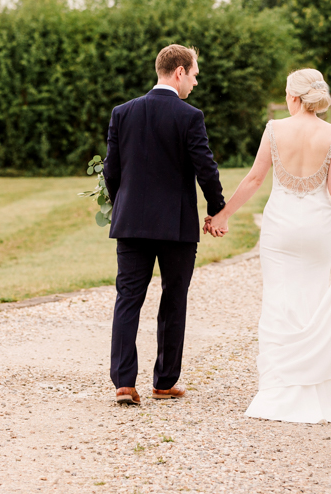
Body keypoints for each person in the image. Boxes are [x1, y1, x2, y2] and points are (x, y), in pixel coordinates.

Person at [208, 68, 331, 423]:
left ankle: (277, 388)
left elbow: (254, 178)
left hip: (280, 227)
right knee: (312, 299)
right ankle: (314, 383)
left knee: (278, 300)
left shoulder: (274, 129)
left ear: (292, 97)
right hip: (316, 229)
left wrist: (222, 215)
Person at [103, 44, 225, 405]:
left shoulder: (122, 113)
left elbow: (112, 170)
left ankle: (124, 383)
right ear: (179, 72)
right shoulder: (189, 116)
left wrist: (122, 204)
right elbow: (206, 167)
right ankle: (163, 382)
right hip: (176, 226)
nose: (195, 83)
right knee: (173, 299)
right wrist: (217, 209)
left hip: (132, 224)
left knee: (128, 299)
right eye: (195, 74)